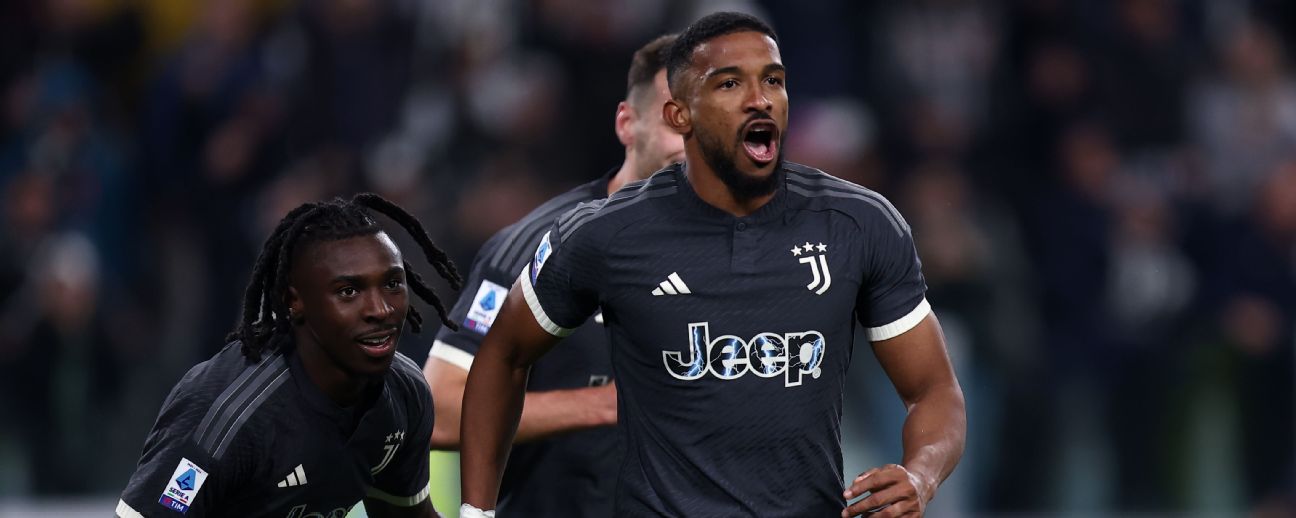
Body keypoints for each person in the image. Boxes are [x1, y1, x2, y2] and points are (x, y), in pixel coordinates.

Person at [459, 12, 966, 518]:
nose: (760, 98)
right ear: (681, 117)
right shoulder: (606, 234)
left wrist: (919, 475)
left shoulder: (858, 223)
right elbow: (502, 356)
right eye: (729, 83)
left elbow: (934, 390)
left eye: (773, 80)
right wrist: (476, 513)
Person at [422, 34, 684, 515]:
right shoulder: (542, 244)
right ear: (628, 123)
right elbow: (440, 406)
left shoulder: (747, 247)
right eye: (675, 119)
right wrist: (608, 405)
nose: (694, 143)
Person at [116, 193, 461, 518]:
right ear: (294, 301)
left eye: (392, 284)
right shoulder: (229, 415)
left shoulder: (404, 393)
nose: (380, 309)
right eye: (349, 291)